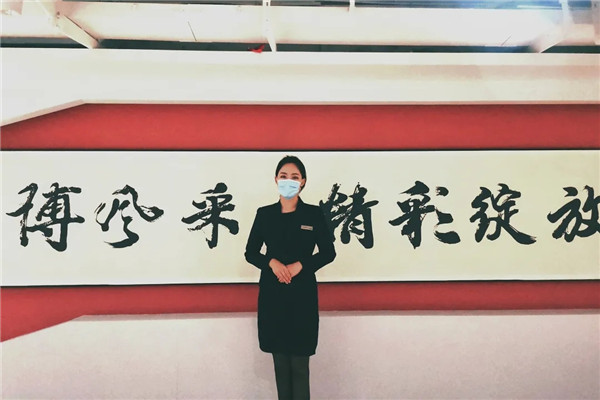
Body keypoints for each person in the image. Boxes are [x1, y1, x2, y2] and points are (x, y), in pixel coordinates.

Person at [245, 155, 336, 400]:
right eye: (283, 176)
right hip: (273, 295)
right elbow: (250, 252)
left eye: (294, 177)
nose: (288, 181)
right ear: (276, 179)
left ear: (303, 181)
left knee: (299, 365)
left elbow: (328, 253)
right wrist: (271, 262)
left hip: (302, 296)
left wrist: (301, 265)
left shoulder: (314, 214)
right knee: (280, 365)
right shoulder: (264, 214)